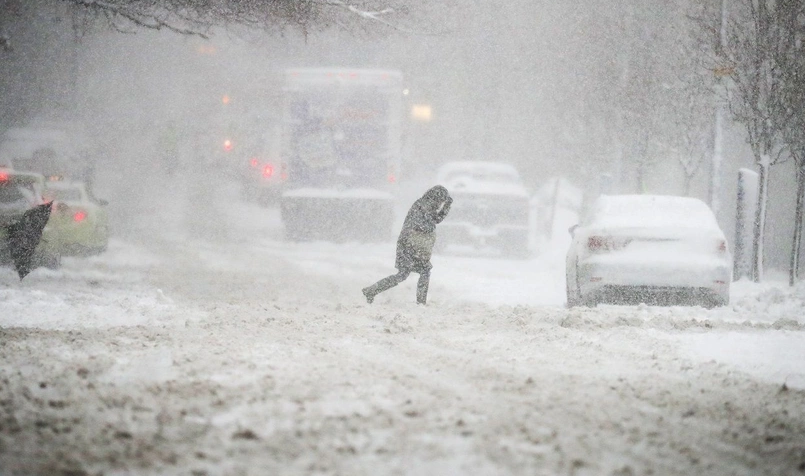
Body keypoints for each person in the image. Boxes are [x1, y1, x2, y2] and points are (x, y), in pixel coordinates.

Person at [362, 185, 453, 305]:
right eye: (441, 201)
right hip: (408, 246)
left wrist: (446, 207)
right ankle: (372, 290)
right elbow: (427, 223)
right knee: (406, 274)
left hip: (415, 246)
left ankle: (372, 290)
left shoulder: (426, 205)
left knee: (417, 272)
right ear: (436, 198)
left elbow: (436, 219)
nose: (441, 204)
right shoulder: (422, 206)